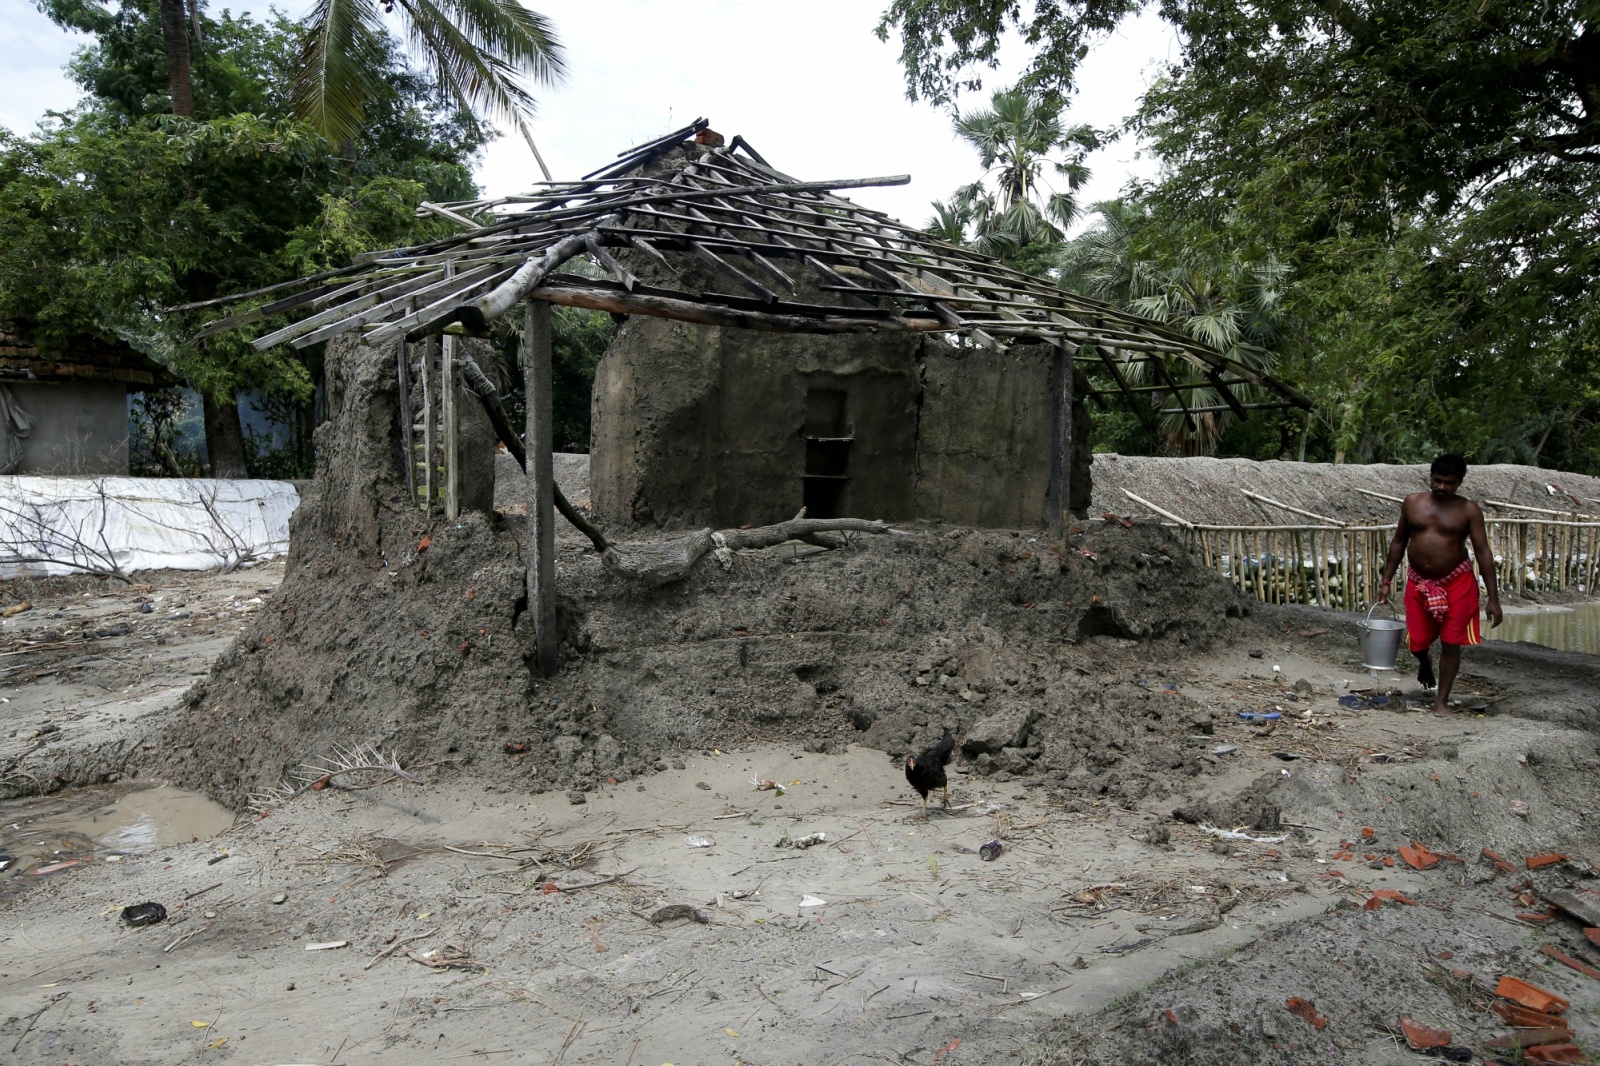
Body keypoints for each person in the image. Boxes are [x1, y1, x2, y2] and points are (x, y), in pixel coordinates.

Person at [1378, 453, 1502, 714]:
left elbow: (1483, 552)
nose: (1442, 487)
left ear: (1459, 482)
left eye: (1449, 482)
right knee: (1416, 642)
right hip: (1419, 583)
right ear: (1430, 478)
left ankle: (1441, 702)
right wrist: (1386, 580)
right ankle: (1424, 662)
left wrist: (1493, 598)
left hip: (1456, 582)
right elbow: (1399, 541)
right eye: (1438, 480)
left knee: (1450, 642)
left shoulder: (1469, 510)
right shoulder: (1412, 503)